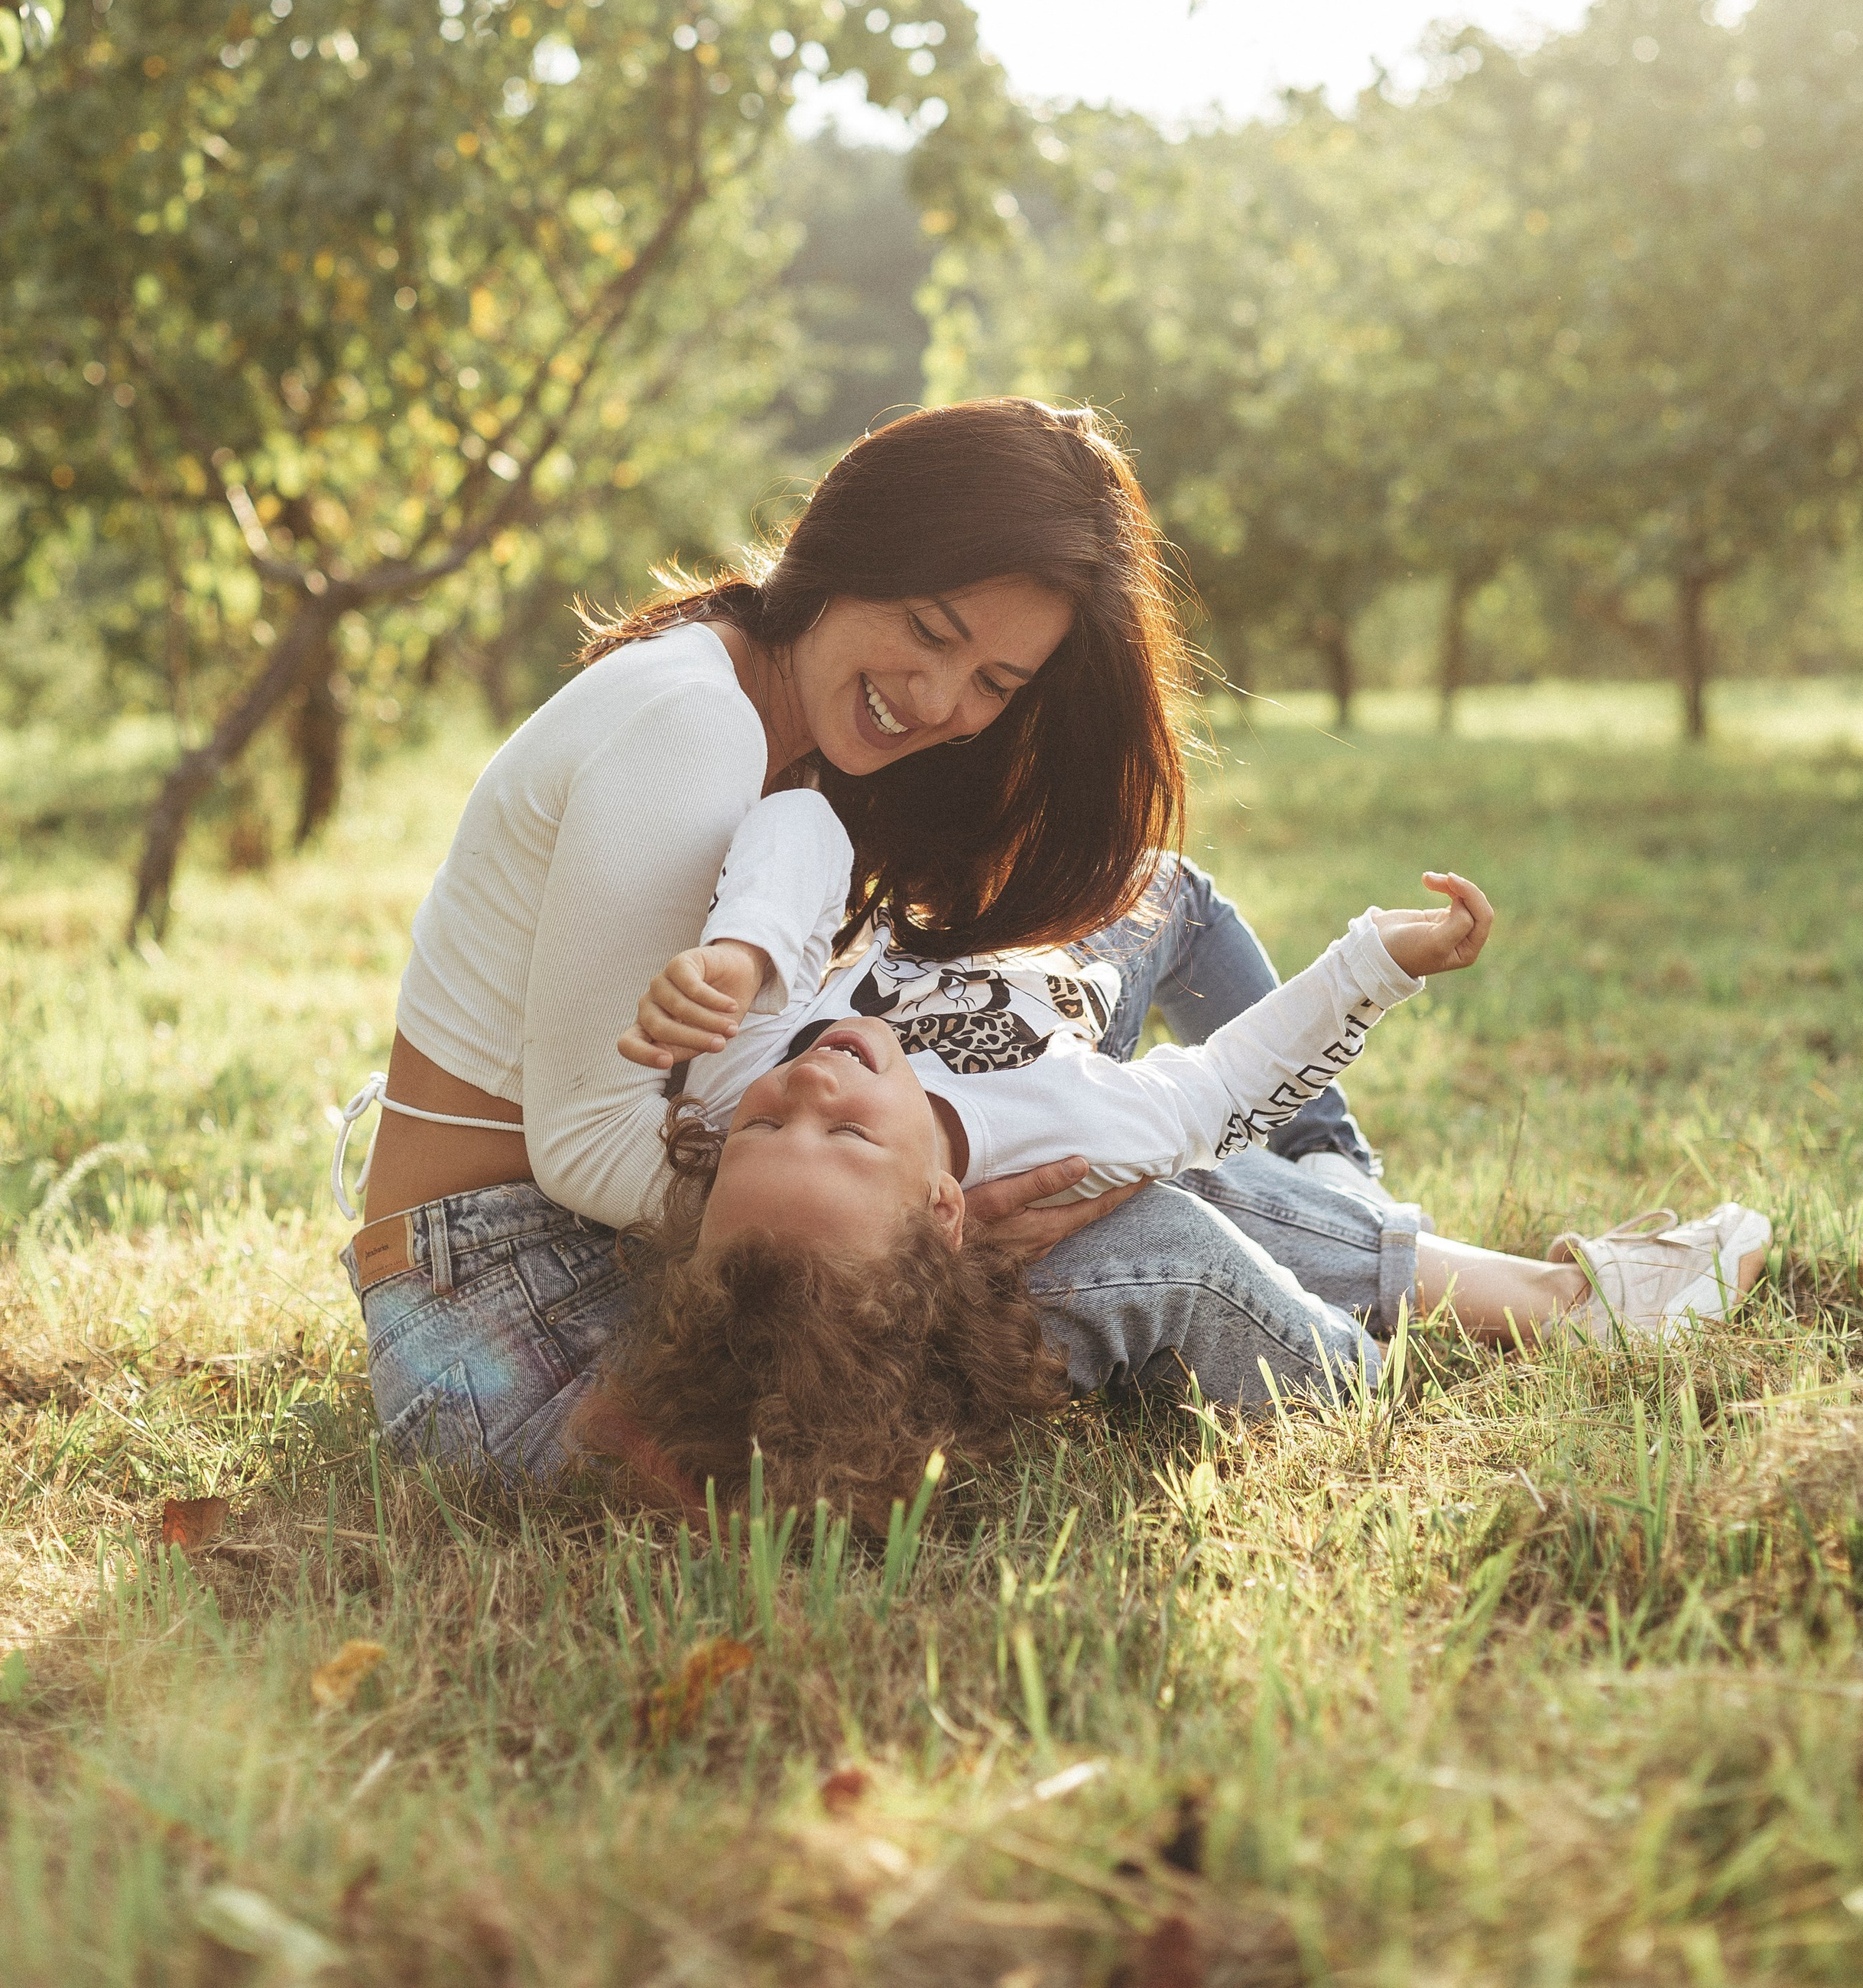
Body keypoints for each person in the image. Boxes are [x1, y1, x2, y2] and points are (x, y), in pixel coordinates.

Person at [335, 397, 1378, 1476]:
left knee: (1116, 956)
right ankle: (1432, 1316)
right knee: (1138, 1226)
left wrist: (919, 1165)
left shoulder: (776, 717)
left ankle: (1361, 1203)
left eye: (995, 685)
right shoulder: (691, 728)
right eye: (929, 632)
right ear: (846, 551)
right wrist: (921, 1198)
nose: (936, 700)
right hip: (517, 1335)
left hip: (610, 1246)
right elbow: (587, 1147)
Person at [590, 792, 1770, 1510]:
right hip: (1101, 1085)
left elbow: (803, 826)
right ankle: (1518, 1296)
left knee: (1173, 889)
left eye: (763, 1127)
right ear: (953, 1210)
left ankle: (1339, 1183)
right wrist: (1378, 960)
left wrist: (745, 952)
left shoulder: (740, 1068)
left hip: (1021, 962)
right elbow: (1223, 1082)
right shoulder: (1077, 1128)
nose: (803, 1087)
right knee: (1192, 1176)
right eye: (838, 1130)